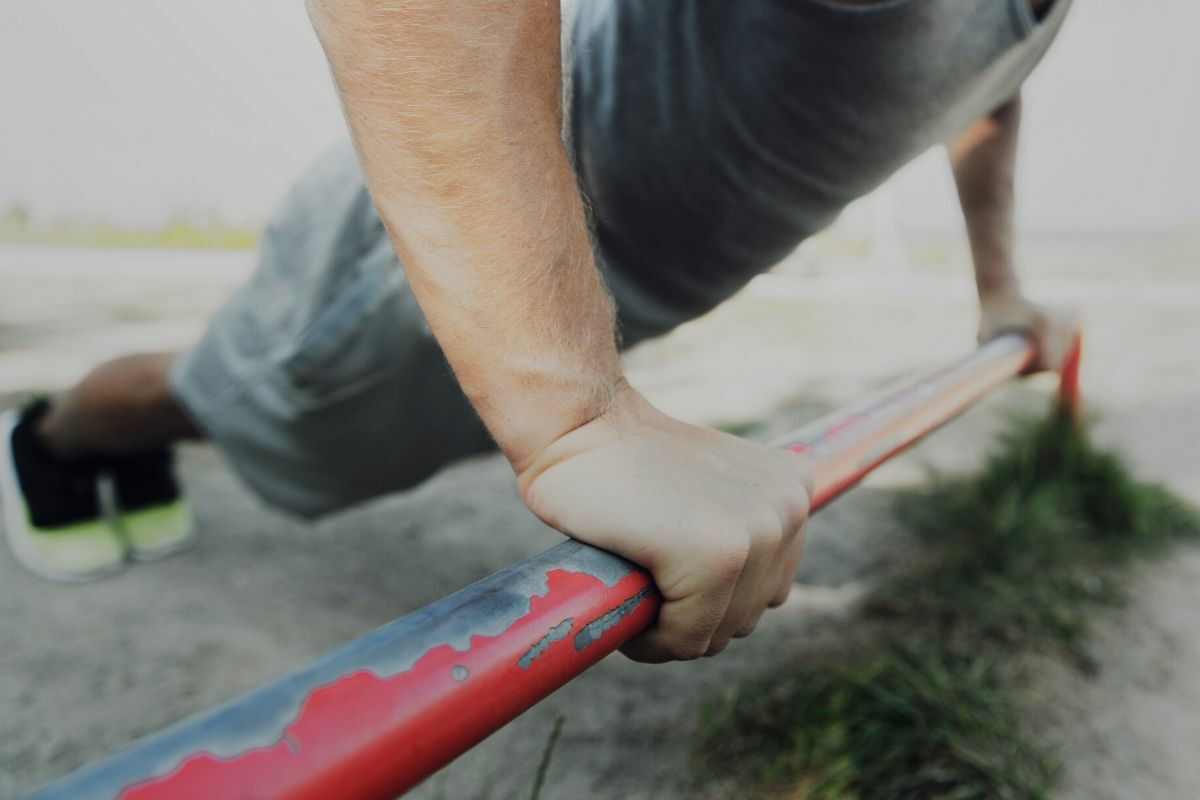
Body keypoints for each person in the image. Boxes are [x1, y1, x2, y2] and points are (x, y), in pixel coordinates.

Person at [0, 0, 1078, 663]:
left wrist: (1000, 287)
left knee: (327, 441)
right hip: (479, 241)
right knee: (231, 398)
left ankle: (125, 450)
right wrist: (575, 413)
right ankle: (50, 443)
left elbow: (988, 86)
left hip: (595, 303)